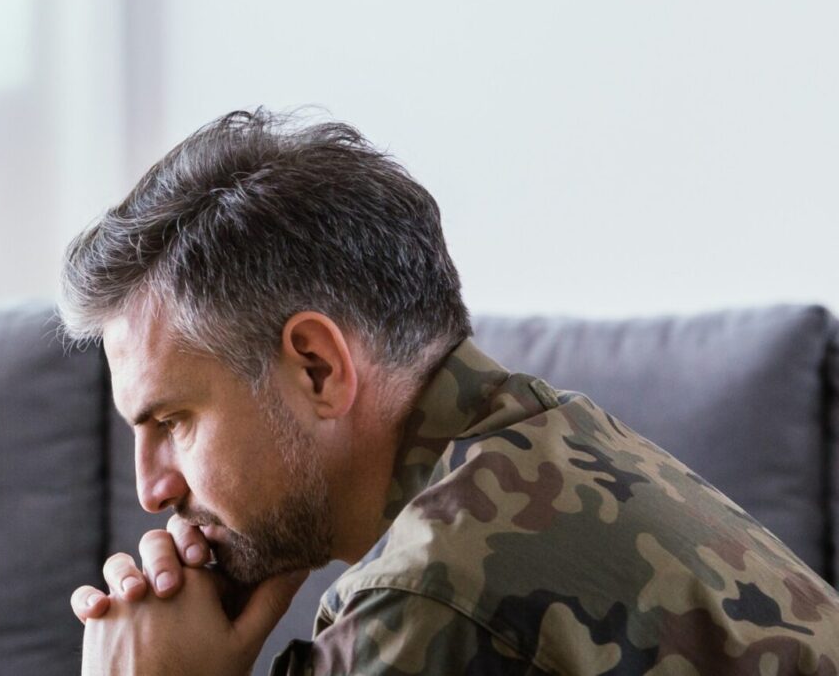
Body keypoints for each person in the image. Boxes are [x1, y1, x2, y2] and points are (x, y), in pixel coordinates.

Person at [59, 110, 839, 675]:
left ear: (318, 368)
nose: (152, 488)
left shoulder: (430, 598)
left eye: (173, 420)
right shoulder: (561, 439)